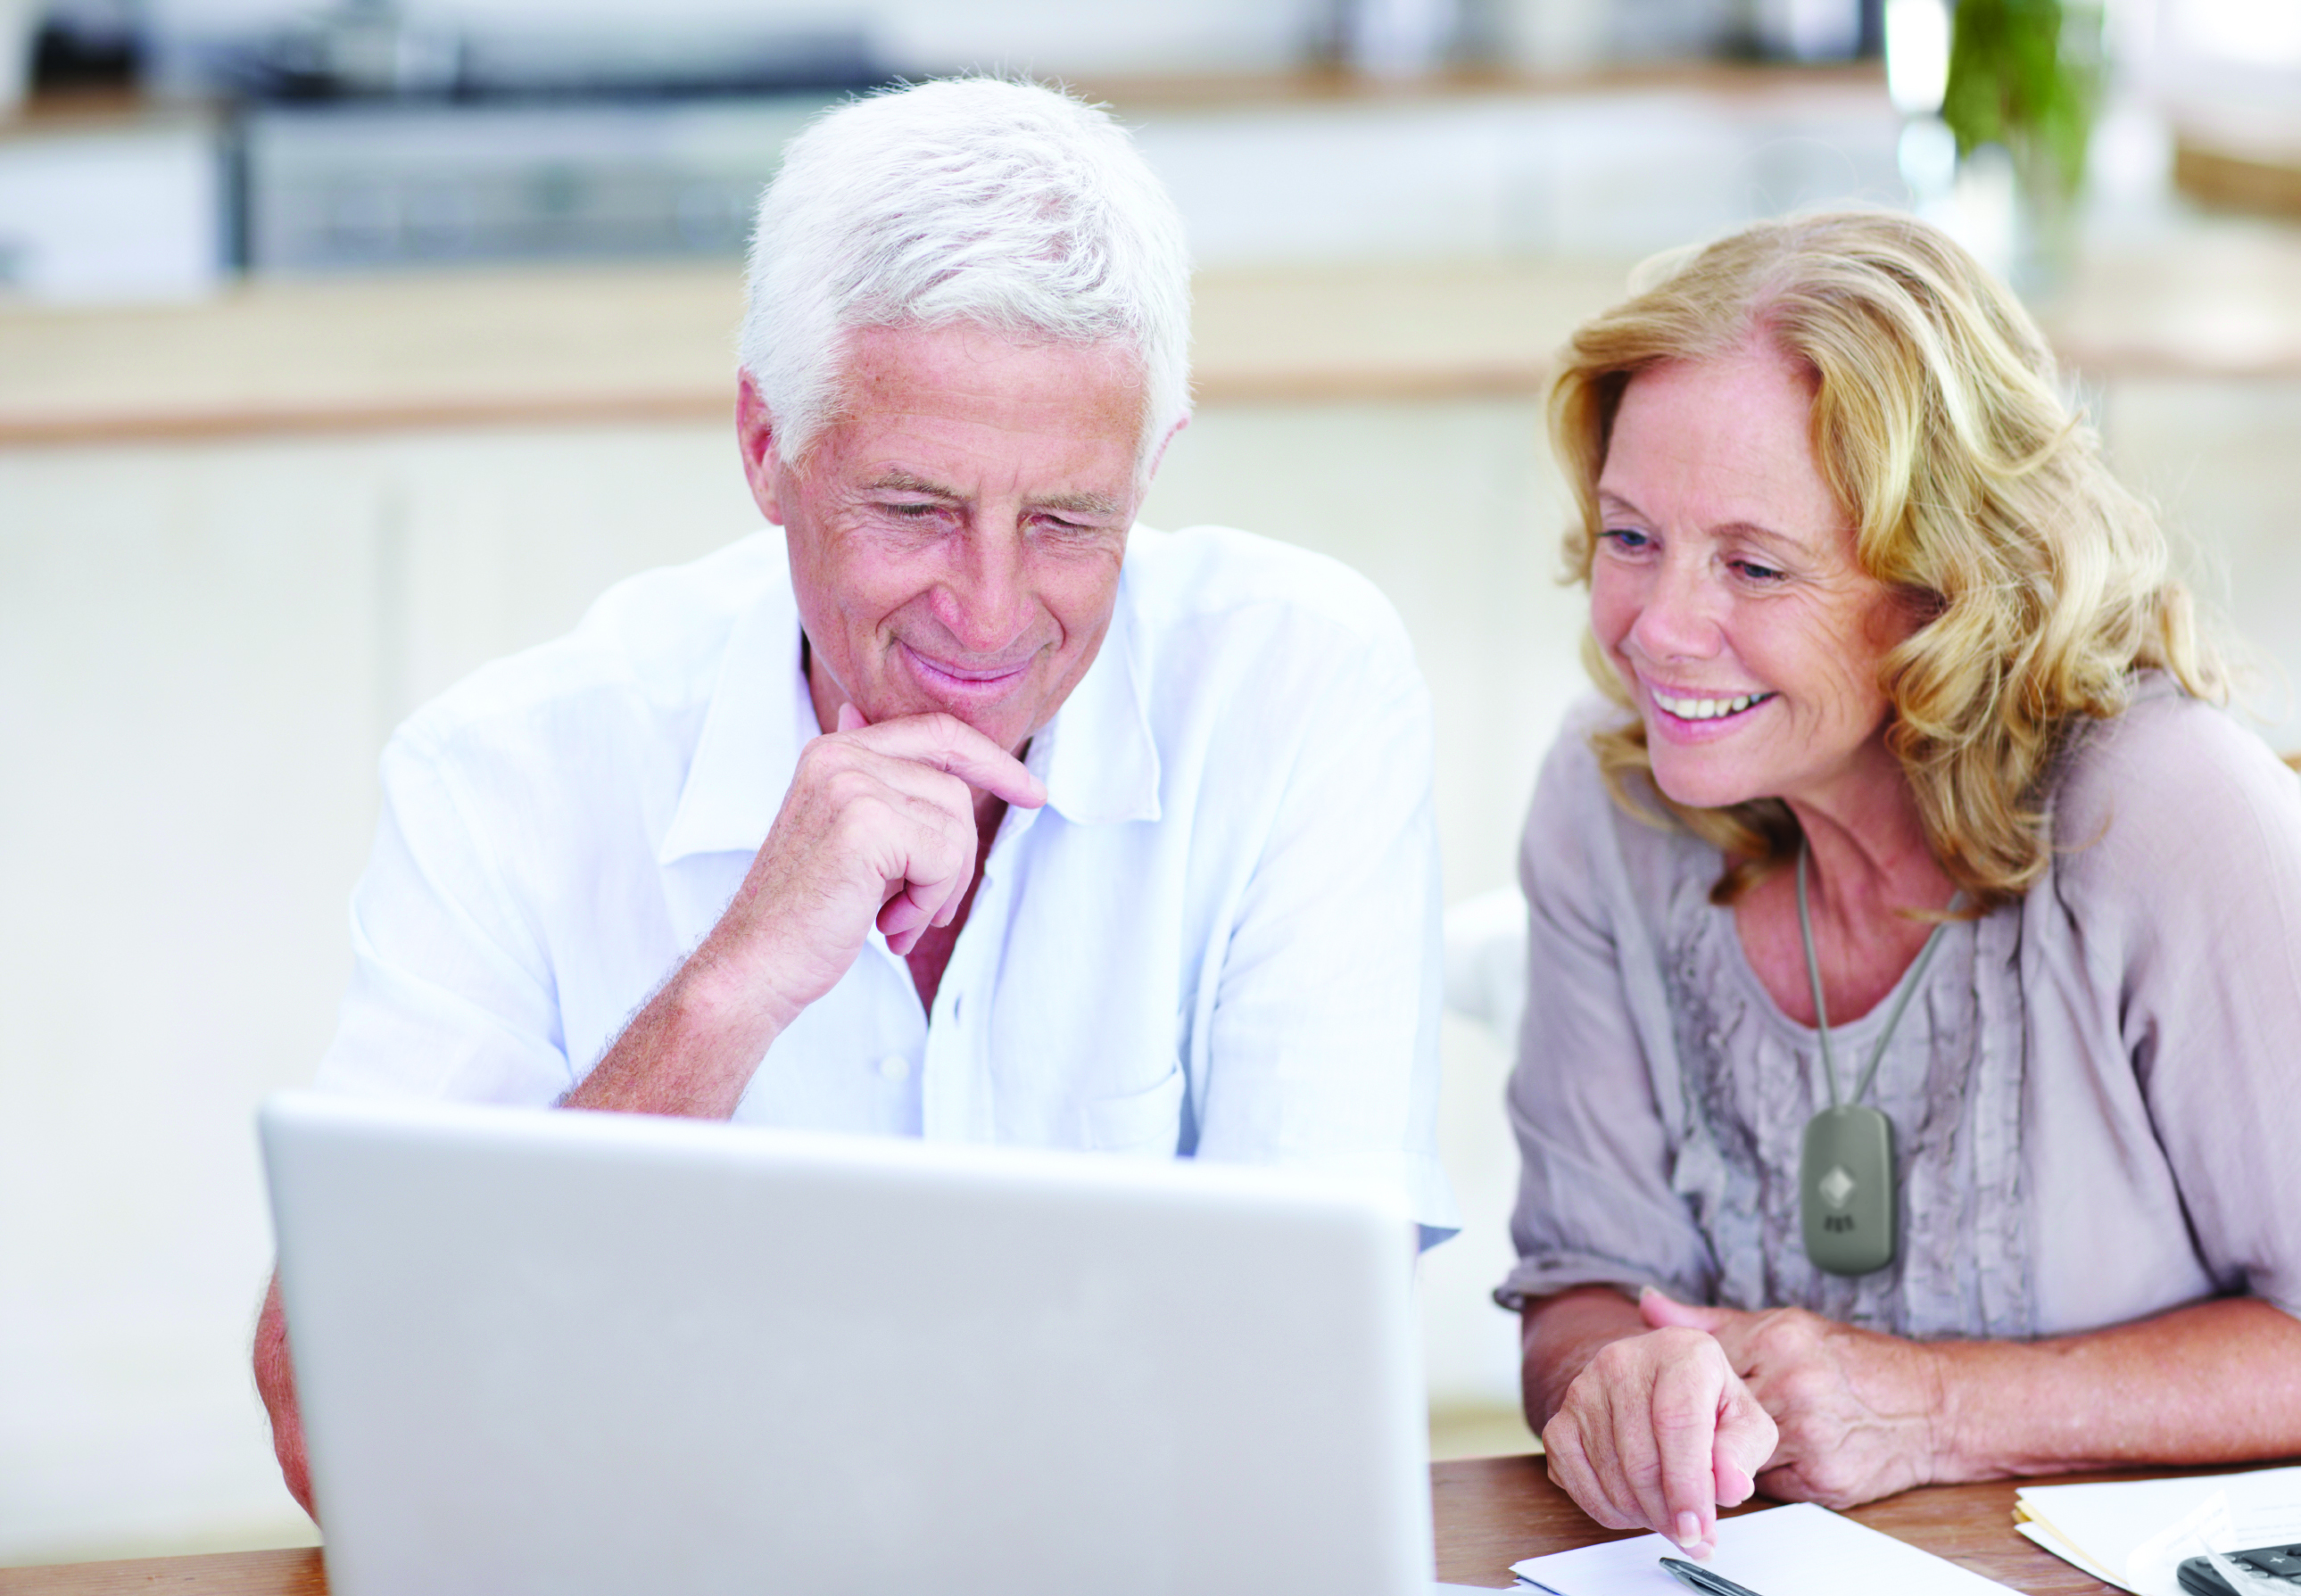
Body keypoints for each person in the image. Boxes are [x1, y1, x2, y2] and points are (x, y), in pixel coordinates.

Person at [253, 77, 1457, 1515]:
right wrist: (731, 990)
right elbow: (342, 1433)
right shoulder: (508, 774)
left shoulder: (1292, 688)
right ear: (768, 447)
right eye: (914, 510)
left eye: (1070, 520)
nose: (992, 610)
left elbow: (1298, 1378)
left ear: (1154, 464)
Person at [1497, 209, 2301, 1558]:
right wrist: (1610, 1391)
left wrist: (1931, 1408)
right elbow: (1584, 1287)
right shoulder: (1609, 798)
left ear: (1948, 587)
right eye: (1632, 536)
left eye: (1753, 564)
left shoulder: (2166, 810)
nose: (1657, 627)